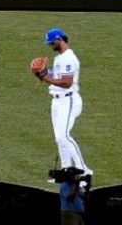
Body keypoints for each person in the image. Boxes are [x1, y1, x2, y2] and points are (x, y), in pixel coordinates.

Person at [35, 28, 92, 179]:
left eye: (51, 42)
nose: (49, 45)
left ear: (59, 39)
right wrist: (45, 73)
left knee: (64, 136)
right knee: (59, 138)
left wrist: (45, 78)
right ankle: (66, 169)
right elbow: (57, 76)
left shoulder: (69, 58)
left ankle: (83, 170)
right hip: (57, 102)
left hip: (68, 100)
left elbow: (66, 83)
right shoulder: (59, 58)